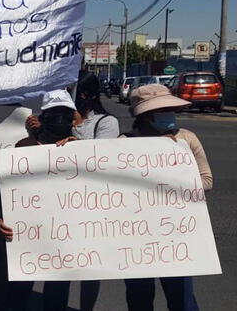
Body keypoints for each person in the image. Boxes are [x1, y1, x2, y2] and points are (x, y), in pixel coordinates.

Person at [27, 72, 120, 311]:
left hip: (89, 206)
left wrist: (73, 136)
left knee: (90, 268)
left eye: (72, 91)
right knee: (58, 268)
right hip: (56, 205)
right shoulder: (56, 117)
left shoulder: (105, 122)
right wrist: (38, 131)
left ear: (85, 95)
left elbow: (102, 161)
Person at [123, 84, 212, 311]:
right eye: (160, 112)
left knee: (182, 297)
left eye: (169, 110)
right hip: (137, 235)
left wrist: (174, 171)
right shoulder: (124, 143)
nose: (168, 116)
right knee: (139, 297)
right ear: (144, 117)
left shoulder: (187, 139)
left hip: (177, 232)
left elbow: (206, 181)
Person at [0, 89, 79, 311]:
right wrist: (2, 217)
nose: (60, 120)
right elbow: (2, 187)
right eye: (54, 115)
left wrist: (79, 149)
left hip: (64, 239)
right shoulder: (24, 147)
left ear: (73, 118)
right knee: (18, 295)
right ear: (43, 118)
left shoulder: (83, 150)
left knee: (57, 296)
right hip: (28, 238)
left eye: (65, 115)